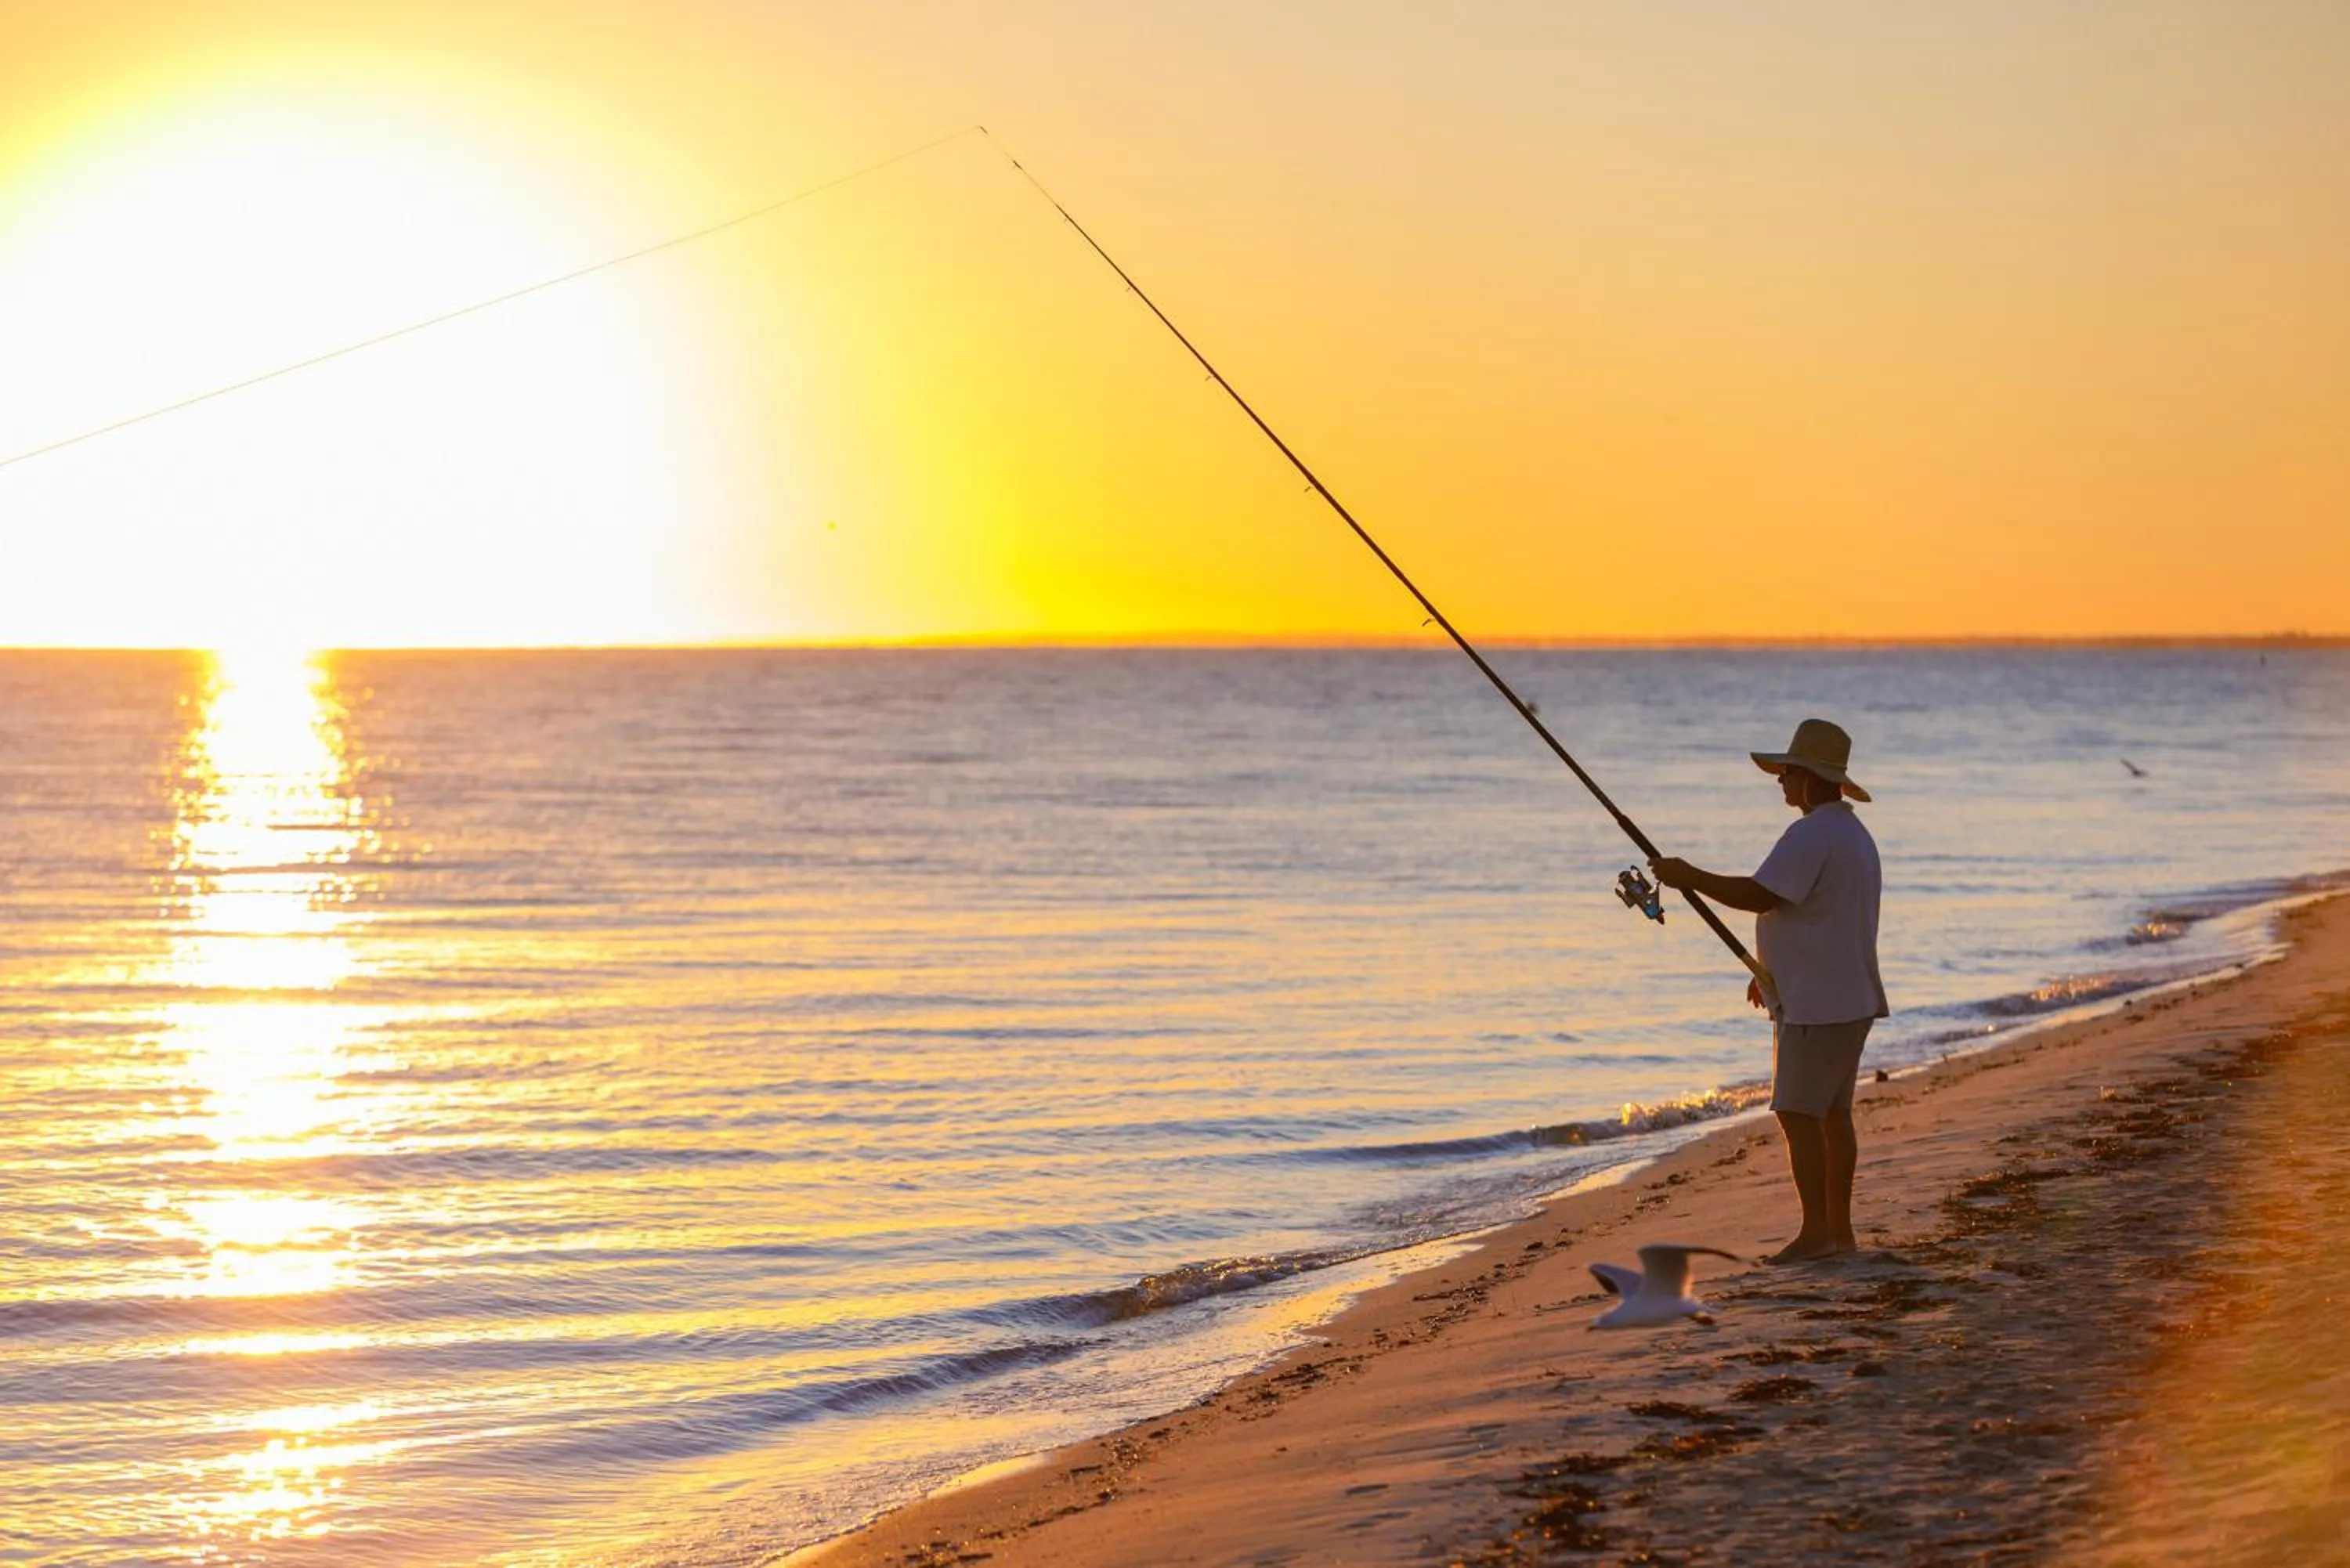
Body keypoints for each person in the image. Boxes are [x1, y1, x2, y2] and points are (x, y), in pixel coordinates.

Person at [1647, 718, 1887, 1263]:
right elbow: (1820, 917)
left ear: (1811, 778)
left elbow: (1761, 896)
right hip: (1845, 997)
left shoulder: (1813, 834)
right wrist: (1771, 970)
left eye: (1787, 772)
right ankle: (1839, 1235)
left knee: (1798, 1115)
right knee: (1831, 1116)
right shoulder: (1853, 835)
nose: (1780, 780)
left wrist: (1690, 876)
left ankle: (1817, 1235)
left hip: (1818, 1007)